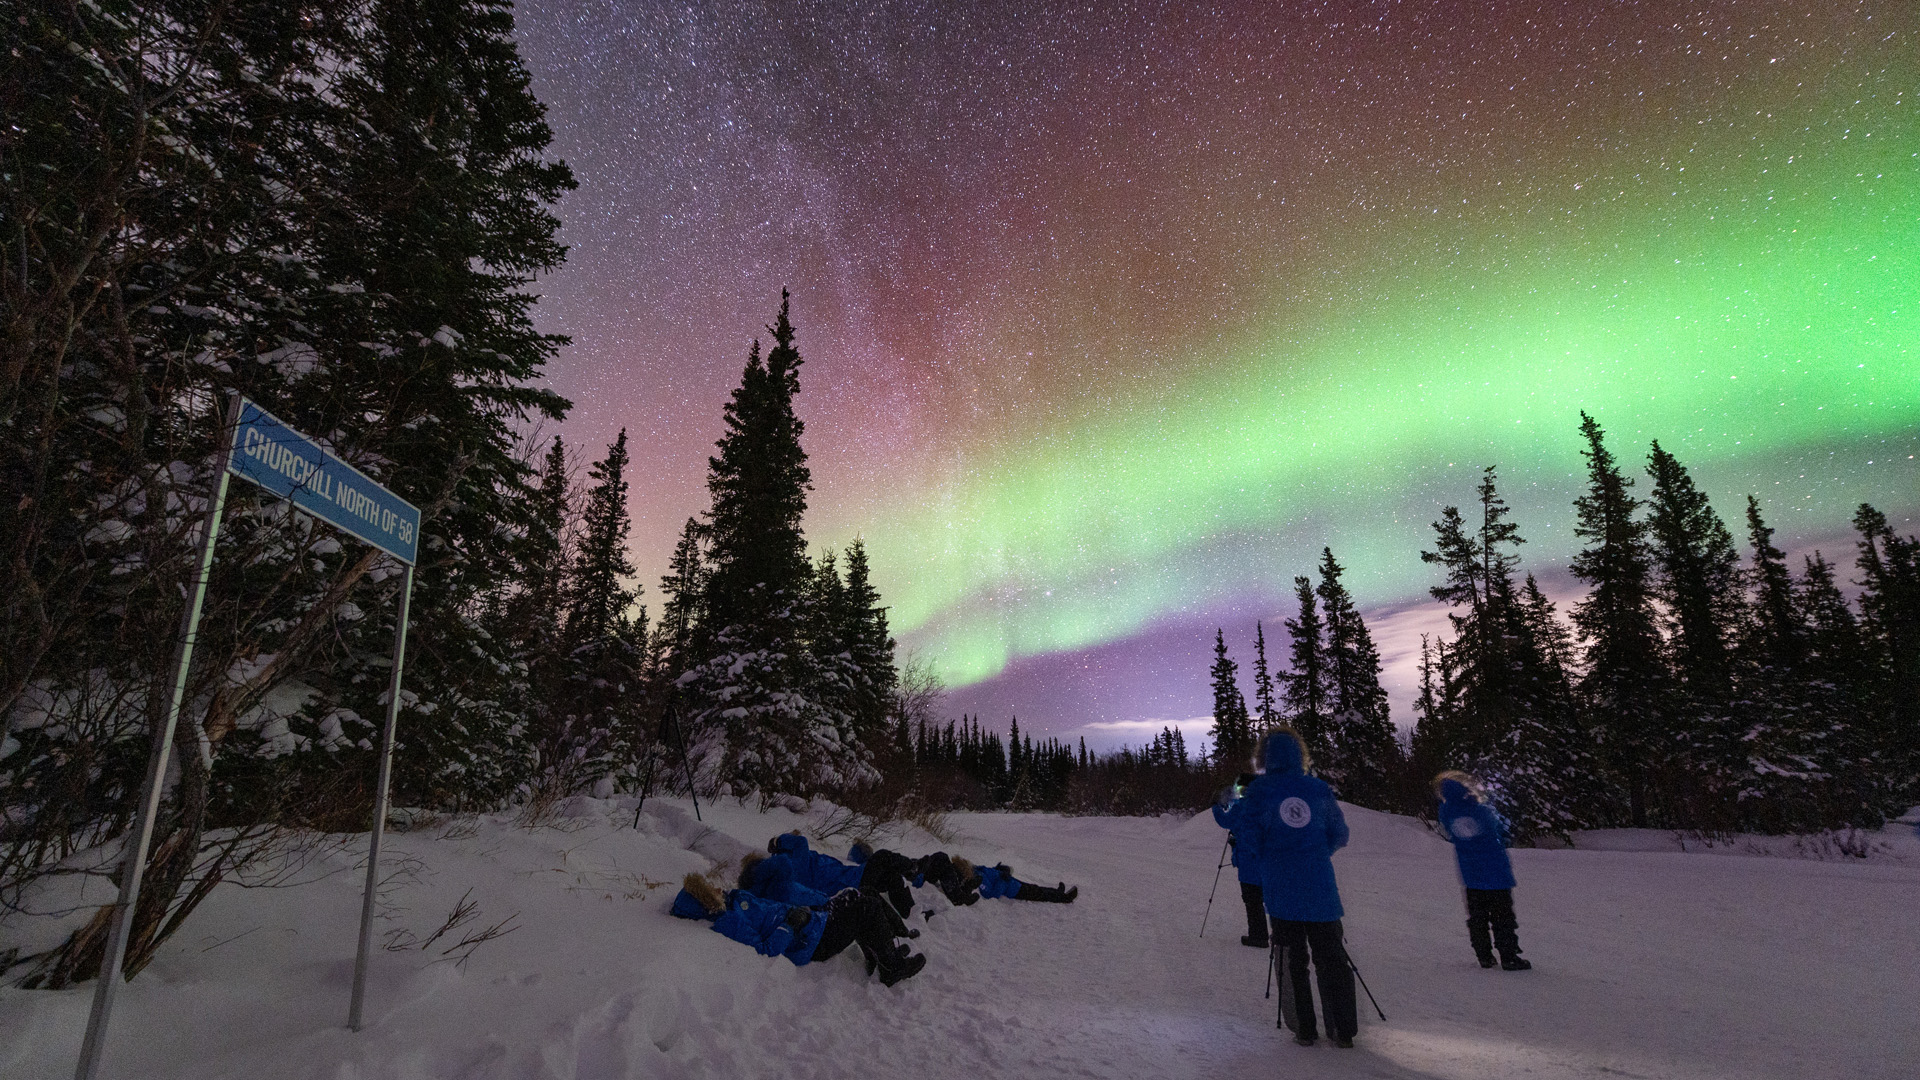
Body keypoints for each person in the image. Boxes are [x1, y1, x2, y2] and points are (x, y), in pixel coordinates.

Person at [1238, 727, 1356, 1048]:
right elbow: (1339, 833)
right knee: (1331, 958)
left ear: (1265, 757)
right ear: (1299, 754)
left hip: (1281, 891)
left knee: (1292, 960)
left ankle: (1303, 1027)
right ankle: (1342, 1029)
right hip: (1321, 890)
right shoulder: (1317, 789)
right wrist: (1315, 855)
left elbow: (1248, 837)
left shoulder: (1260, 792)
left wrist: (1270, 856)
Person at [670, 873, 927, 986]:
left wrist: (805, 909)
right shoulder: (730, 922)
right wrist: (790, 923)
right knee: (866, 907)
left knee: (860, 893)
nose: (715, 888)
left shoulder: (735, 899)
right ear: (707, 904)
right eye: (708, 892)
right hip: (810, 943)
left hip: (811, 922)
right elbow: (764, 949)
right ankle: (891, 968)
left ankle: (880, 955)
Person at [1434, 771, 1530, 971]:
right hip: (1495, 872)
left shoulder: (1447, 811)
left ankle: (1484, 956)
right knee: (1502, 916)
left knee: (1477, 917)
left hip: (1471, 874)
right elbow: (1496, 829)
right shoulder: (1480, 810)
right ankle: (1509, 956)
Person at [1211, 772, 1268, 948]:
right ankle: (1284, 935)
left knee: (1253, 900)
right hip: (1270, 861)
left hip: (1250, 863)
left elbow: (1224, 820)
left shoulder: (1242, 808)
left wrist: (1215, 805)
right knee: (1273, 898)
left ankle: (1258, 936)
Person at [913, 851, 1077, 906]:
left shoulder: (978, 871)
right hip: (1012, 889)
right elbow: (992, 893)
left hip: (1011, 881)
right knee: (1037, 893)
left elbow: (990, 871)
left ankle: (1057, 892)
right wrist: (1004, 879)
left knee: (1036, 887)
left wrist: (999, 869)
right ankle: (1064, 898)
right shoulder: (979, 881)